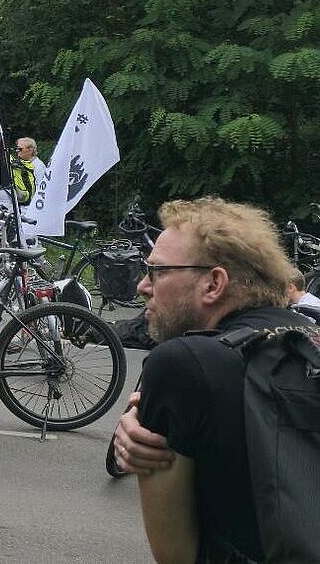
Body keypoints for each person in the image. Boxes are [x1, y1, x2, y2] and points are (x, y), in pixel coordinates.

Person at [111, 198, 304, 564]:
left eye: (157, 272)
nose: (142, 286)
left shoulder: (182, 364)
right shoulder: (308, 339)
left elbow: (176, 555)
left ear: (214, 283)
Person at [11, 137, 41, 205]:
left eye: (20, 149)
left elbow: (40, 189)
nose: (17, 151)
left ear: (30, 150)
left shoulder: (38, 166)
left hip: (33, 206)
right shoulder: (23, 164)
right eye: (16, 148)